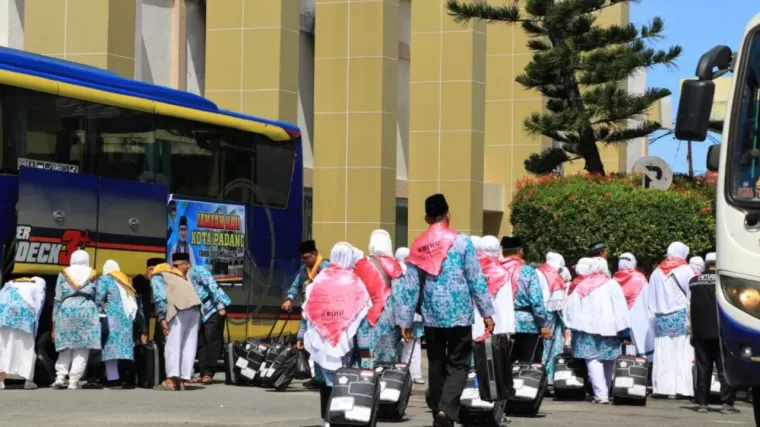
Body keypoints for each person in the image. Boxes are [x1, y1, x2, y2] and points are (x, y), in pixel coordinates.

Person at [396, 193, 495, 427]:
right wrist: (487, 312)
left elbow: (410, 287)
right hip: (460, 313)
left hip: (432, 316)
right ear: (448, 213)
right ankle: (446, 409)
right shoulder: (462, 242)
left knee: (437, 364)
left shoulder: (419, 245)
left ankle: (441, 411)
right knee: (459, 363)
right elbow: (476, 279)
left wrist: (405, 321)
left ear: (426, 217)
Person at [296, 242, 373, 427]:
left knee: (325, 383)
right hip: (344, 343)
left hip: (321, 340)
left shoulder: (319, 280)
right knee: (344, 382)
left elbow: (308, 312)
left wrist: (301, 335)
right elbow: (361, 317)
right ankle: (339, 418)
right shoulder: (355, 283)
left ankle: (327, 418)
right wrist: (365, 350)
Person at [564, 257, 630, 404]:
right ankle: (604, 392)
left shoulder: (582, 285)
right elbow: (621, 307)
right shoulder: (612, 284)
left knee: (593, 360)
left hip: (587, 330)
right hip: (610, 329)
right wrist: (624, 327)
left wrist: (572, 324)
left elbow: (571, 307)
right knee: (608, 360)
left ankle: (601, 394)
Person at [690, 252, 740, 415]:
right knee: (724, 368)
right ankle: (726, 404)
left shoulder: (694, 282)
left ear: (706, 264)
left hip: (700, 332)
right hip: (721, 332)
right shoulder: (724, 282)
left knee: (703, 367)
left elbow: (688, 308)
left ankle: (702, 403)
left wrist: (692, 331)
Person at [647, 241, 696, 398]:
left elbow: (651, 302)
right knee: (683, 353)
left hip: (661, 319)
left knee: (664, 353)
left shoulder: (656, 273)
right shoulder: (686, 270)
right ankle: (683, 389)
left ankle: (663, 388)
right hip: (682, 317)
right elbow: (691, 296)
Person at [150, 254, 202, 391]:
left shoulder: (158, 275)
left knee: (173, 343)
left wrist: (162, 317)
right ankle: (183, 380)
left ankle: (172, 381)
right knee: (188, 344)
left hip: (179, 309)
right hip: (195, 309)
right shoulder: (179, 275)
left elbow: (160, 296)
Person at [51, 250, 101, 390]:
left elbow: (57, 298)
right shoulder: (94, 274)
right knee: (82, 347)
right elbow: (98, 296)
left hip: (66, 309)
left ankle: (60, 377)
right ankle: (73, 381)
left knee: (65, 345)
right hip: (87, 309)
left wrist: (54, 323)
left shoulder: (63, 273)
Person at [354, 229, 404, 365]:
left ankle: (367, 377)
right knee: (387, 352)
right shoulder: (394, 265)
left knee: (366, 350)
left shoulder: (360, 264)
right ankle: (385, 379)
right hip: (387, 316)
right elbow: (399, 295)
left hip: (364, 315)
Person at [502, 236, 551, 363]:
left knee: (504, 364)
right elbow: (536, 300)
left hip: (501, 323)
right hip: (526, 324)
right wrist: (543, 324)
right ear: (521, 251)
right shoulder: (528, 271)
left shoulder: (496, 270)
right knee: (527, 364)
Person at [97, 260, 146, 388]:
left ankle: (113, 378)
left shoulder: (105, 279)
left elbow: (99, 297)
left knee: (109, 349)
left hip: (112, 317)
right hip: (125, 318)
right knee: (122, 350)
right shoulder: (123, 281)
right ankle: (124, 378)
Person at [187, 263, 231, 385]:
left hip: (212, 308)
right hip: (198, 311)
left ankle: (208, 373)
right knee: (200, 342)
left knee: (212, 339)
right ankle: (202, 373)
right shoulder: (181, 275)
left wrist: (221, 305)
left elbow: (212, 286)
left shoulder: (199, 270)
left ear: (187, 264)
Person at [0, 277, 46, 390]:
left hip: (4, 316)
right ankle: (28, 381)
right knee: (27, 349)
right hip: (24, 317)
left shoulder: (11, 284)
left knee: (4, 347)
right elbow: (38, 309)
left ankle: (1, 381)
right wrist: (34, 331)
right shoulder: (38, 287)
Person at [613, 253, 654, 361]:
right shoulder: (640, 278)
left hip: (620, 318)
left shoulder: (613, 280)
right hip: (638, 316)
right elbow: (648, 299)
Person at [473, 235, 515, 338]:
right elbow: (504, 304)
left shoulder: (470, 269)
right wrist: (506, 329)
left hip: (468, 322)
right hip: (492, 324)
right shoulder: (502, 273)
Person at [537, 252, 567, 384]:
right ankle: (547, 378)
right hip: (549, 315)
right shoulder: (553, 275)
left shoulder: (537, 271)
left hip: (536, 313)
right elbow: (558, 303)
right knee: (550, 347)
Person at [396, 247, 424, 384]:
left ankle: (413, 372)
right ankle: (410, 373)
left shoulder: (410, 270)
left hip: (410, 314)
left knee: (413, 343)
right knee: (409, 344)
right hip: (407, 314)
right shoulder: (401, 271)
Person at [281, 240, 330, 312]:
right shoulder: (303, 269)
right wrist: (289, 299)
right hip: (306, 312)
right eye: (302, 258)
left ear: (315, 253)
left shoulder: (327, 268)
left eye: (306, 257)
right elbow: (296, 286)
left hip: (323, 312)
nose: (304, 261)